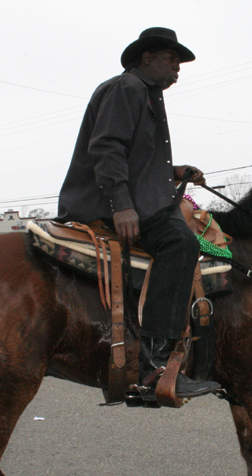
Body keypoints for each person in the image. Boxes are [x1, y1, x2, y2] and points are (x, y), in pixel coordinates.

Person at [54, 27, 219, 399]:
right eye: (171, 59)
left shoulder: (146, 94)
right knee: (180, 244)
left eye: (179, 62)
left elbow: (137, 159)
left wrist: (173, 172)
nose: (177, 67)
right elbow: (107, 147)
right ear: (147, 57)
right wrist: (121, 205)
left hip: (139, 197)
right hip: (112, 203)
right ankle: (155, 367)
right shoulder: (126, 88)